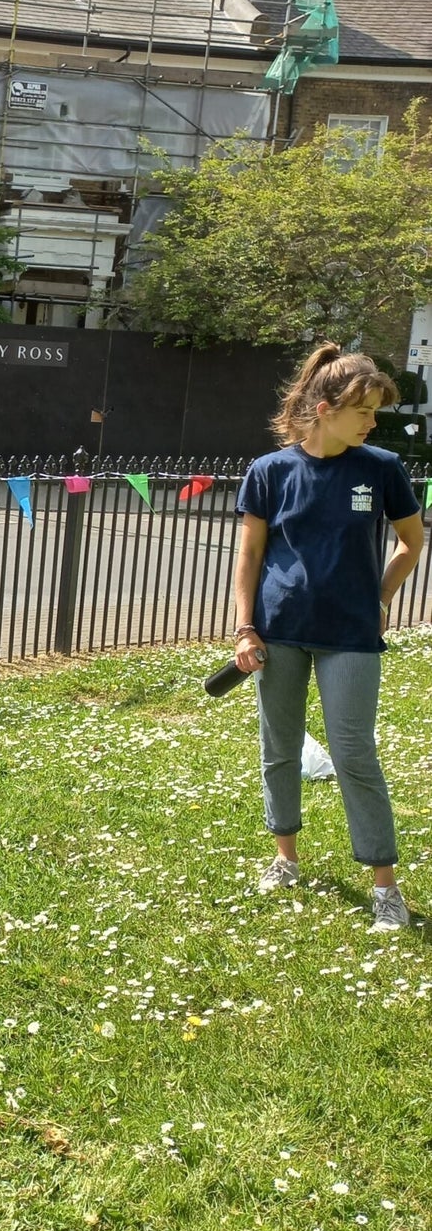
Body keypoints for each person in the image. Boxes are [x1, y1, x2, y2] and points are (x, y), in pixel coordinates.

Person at [232, 342, 424, 927]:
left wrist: (380, 597)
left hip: (352, 634)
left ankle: (385, 888)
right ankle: (284, 860)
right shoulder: (270, 472)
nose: (372, 422)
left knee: (354, 753)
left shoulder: (382, 469)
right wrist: (245, 628)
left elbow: (412, 543)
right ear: (325, 408)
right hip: (278, 631)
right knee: (279, 750)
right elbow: (251, 553)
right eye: (364, 410)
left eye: (375, 413)